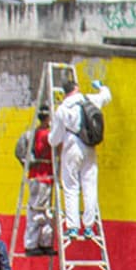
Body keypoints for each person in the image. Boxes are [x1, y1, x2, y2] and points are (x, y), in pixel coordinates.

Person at [48, 79, 112, 239]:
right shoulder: (90, 100)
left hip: (72, 148)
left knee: (71, 187)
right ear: (77, 88)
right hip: (90, 147)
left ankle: (73, 227)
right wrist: (101, 86)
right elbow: (106, 96)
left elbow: (54, 140)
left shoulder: (62, 109)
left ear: (64, 92)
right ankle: (89, 226)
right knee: (90, 186)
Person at [24, 104, 56, 255]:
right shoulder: (45, 134)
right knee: (38, 210)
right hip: (41, 177)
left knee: (44, 211)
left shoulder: (35, 133)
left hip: (42, 176)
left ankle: (44, 242)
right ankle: (32, 244)